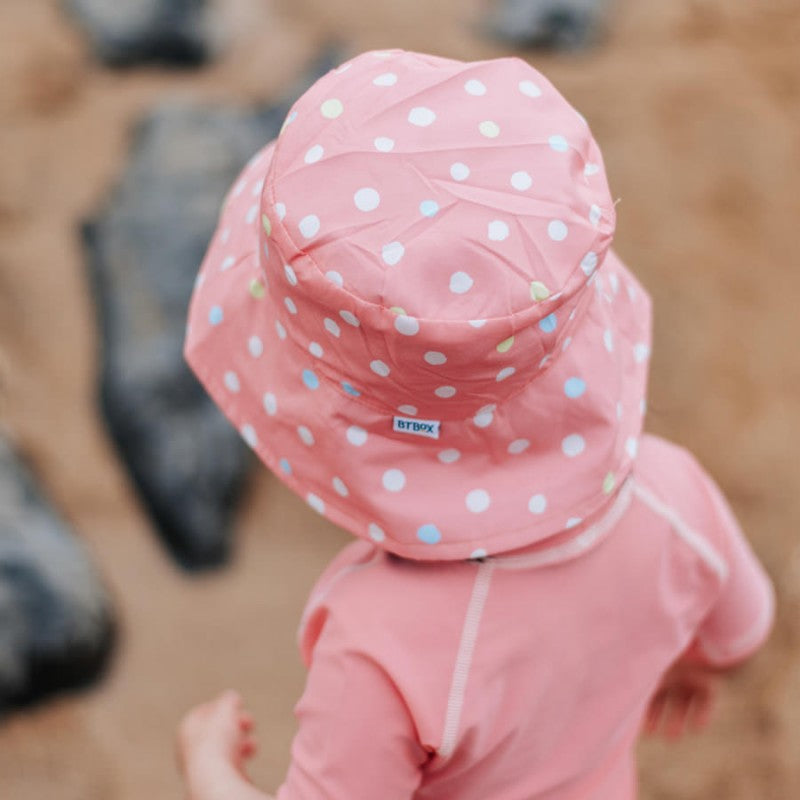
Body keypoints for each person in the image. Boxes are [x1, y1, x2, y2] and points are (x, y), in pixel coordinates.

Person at [176, 49, 775, 799]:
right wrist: (682, 665)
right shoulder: (672, 494)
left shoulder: (380, 648)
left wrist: (208, 768)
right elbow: (739, 631)